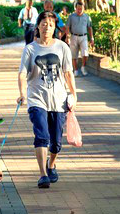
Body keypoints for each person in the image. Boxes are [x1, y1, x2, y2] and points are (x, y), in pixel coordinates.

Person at [17, 11, 77, 189]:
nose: (47, 27)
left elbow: (68, 73)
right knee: (41, 136)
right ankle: (43, 174)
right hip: (36, 98)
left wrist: (73, 94)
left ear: (55, 28)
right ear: (38, 26)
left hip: (58, 100)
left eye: (51, 24)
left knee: (56, 142)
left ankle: (51, 164)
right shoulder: (30, 49)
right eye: (44, 23)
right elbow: (22, 73)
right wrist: (21, 93)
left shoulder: (62, 47)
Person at [66, 1, 94, 76]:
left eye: (81, 9)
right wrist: (67, 37)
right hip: (74, 36)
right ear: (75, 8)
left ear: (83, 8)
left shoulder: (87, 17)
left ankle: (83, 67)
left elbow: (89, 27)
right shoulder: (71, 17)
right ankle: (75, 70)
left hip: (84, 37)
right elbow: (67, 27)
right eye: (78, 9)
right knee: (74, 54)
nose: (79, 10)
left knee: (85, 54)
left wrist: (92, 38)